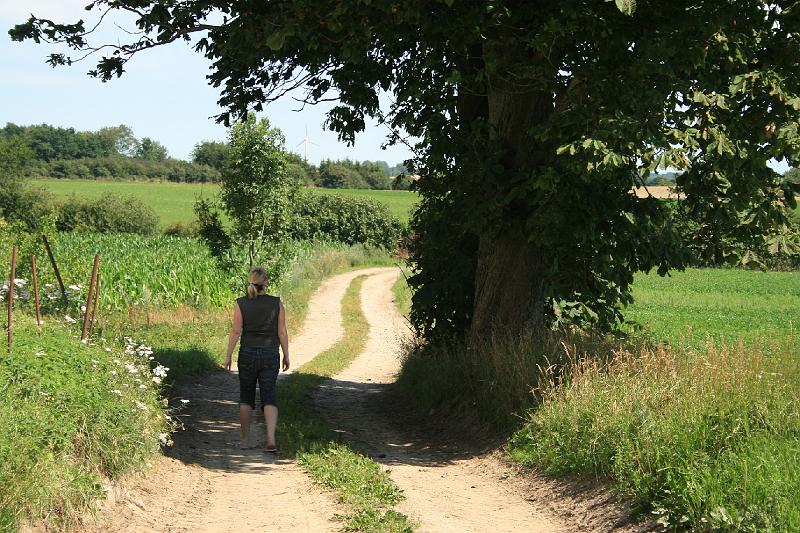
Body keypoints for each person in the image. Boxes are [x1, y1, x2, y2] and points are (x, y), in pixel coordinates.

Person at [224, 266, 290, 452]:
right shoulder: (276, 303)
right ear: (266, 283)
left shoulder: (241, 303)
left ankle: (244, 441)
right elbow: (282, 331)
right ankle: (271, 440)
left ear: (250, 282)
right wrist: (286, 354)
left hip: (247, 354)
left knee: (246, 396)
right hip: (270, 354)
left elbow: (237, 331)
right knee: (269, 395)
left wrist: (229, 355)